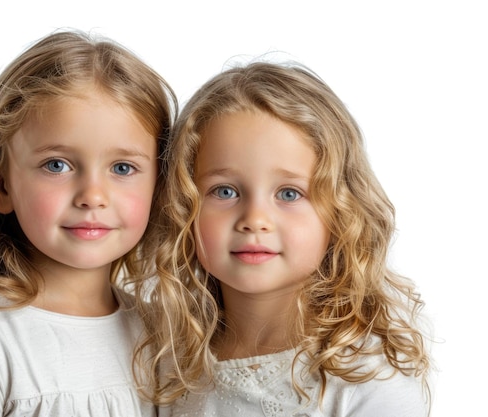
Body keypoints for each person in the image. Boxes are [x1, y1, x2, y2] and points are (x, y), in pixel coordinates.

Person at [0, 29, 176, 417]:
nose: (92, 195)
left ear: (159, 187)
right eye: (57, 165)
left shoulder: (163, 335)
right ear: (0, 184)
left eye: (122, 168)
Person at [144, 61, 432, 416]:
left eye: (289, 194)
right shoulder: (170, 358)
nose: (255, 220)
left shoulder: (367, 376)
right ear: (183, 206)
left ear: (341, 210)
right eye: (225, 191)